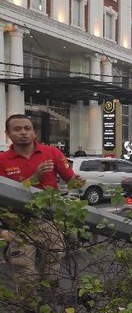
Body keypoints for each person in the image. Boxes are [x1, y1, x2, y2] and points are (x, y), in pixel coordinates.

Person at [0, 114, 86, 288]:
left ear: (34, 133)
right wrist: (35, 177)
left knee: (52, 269)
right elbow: (5, 193)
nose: (23, 132)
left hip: (49, 219)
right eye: (17, 129)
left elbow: (70, 181)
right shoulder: (2, 160)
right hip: (18, 223)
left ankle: (50, 306)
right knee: (25, 274)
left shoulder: (52, 152)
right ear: (8, 134)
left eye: (27, 128)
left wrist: (77, 181)